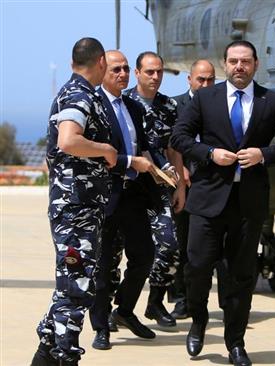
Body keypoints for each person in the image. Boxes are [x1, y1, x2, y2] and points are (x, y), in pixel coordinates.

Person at [171, 40, 275, 365]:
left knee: (241, 275)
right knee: (198, 267)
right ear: (225, 64)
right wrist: (209, 153)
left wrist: (264, 154)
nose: (239, 67)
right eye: (233, 61)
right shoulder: (205, 98)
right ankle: (199, 321)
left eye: (245, 61)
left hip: (248, 204)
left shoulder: (271, 100)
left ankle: (235, 342)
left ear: (256, 64)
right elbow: (179, 136)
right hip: (207, 200)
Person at [32, 37, 117, 366]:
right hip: (76, 210)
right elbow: (68, 140)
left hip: (80, 208)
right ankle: (65, 357)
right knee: (74, 290)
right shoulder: (80, 94)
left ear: (72, 63)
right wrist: (105, 150)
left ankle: (44, 356)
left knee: (75, 287)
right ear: (101, 64)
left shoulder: (74, 92)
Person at [89, 50, 170, 351]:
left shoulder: (133, 107)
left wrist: (163, 172)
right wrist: (129, 161)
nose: (123, 74)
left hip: (134, 195)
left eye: (125, 69)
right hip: (105, 196)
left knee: (145, 255)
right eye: (116, 69)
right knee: (103, 264)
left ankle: (123, 310)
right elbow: (95, 152)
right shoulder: (94, 106)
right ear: (102, 71)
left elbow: (145, 147)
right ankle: (100, 327)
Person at [126, 51, 183, 327]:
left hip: (159, 186)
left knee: (170, 244)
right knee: (115, 252)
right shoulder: (123, 102)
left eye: (159, 71)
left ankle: (156, 302)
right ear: (137, 73)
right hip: (128, 186)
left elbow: (174, 147)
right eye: (149, 72)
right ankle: (115, 310)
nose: (155, 77)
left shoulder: (169, 105)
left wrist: (180, 185)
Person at [169, 59, 217, 319]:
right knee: (183, 244)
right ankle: (181, 299)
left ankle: (198, 298)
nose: (206, 84)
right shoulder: (174, 105)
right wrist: (180, 170)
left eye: (211, 79)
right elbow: (168, 142)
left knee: (205, 247)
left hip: (211, 186)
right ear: (189, 79)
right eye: (201, 79)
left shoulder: (221, 104)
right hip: (183, 184)